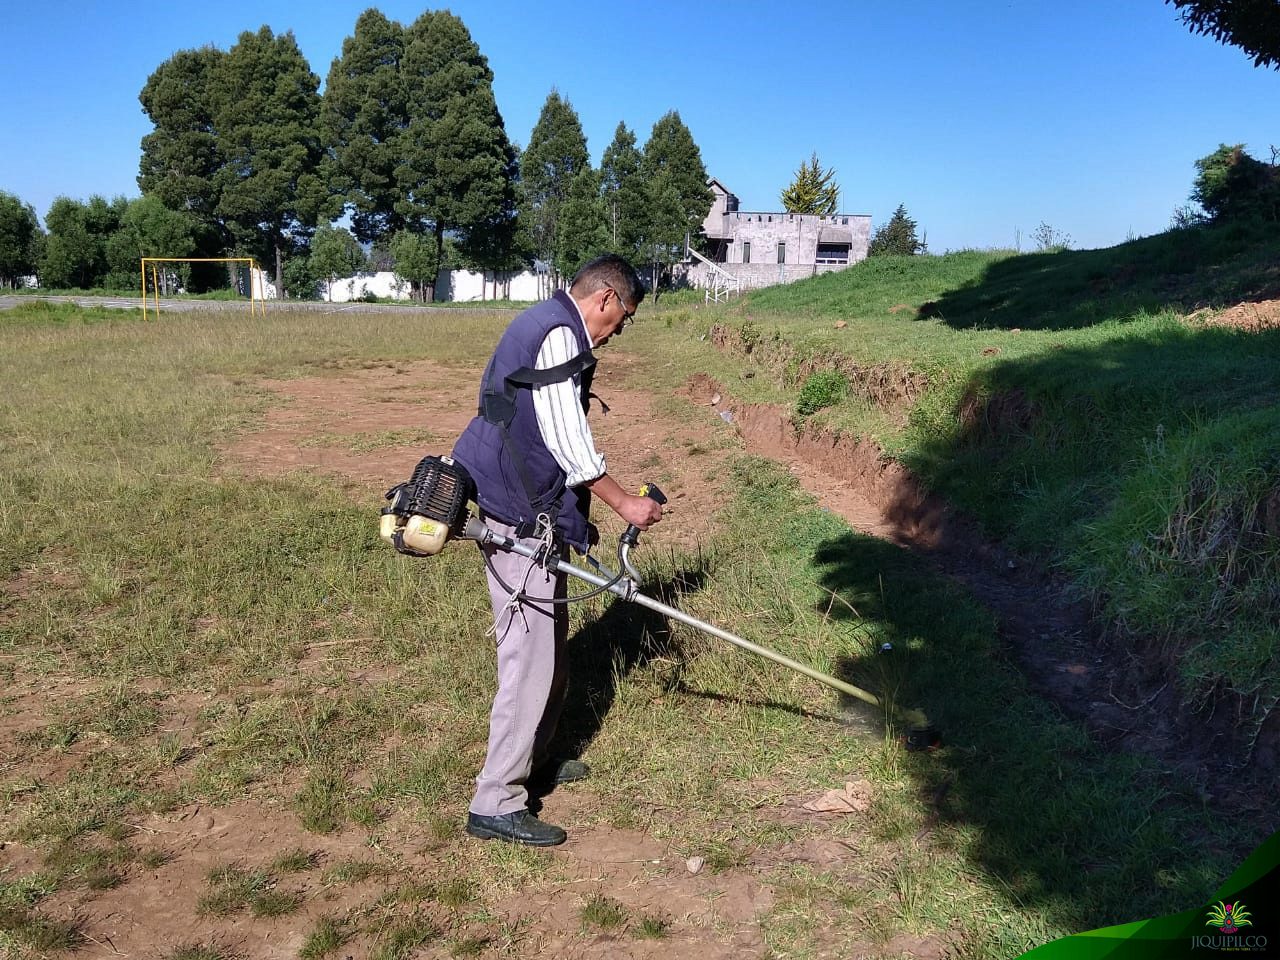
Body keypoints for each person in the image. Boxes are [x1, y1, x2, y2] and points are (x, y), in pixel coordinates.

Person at [450, 254, 663, 846]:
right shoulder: (559, 336)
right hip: (519, 517)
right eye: (624, 318)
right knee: (529, 662)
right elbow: (570, 445)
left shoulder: (543, 322)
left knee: (551, 649)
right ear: (606, 300)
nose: (619, 332)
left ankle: (535, 761)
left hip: (520, 503)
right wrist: (627, 504)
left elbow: (513, 417)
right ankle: (495, 800)